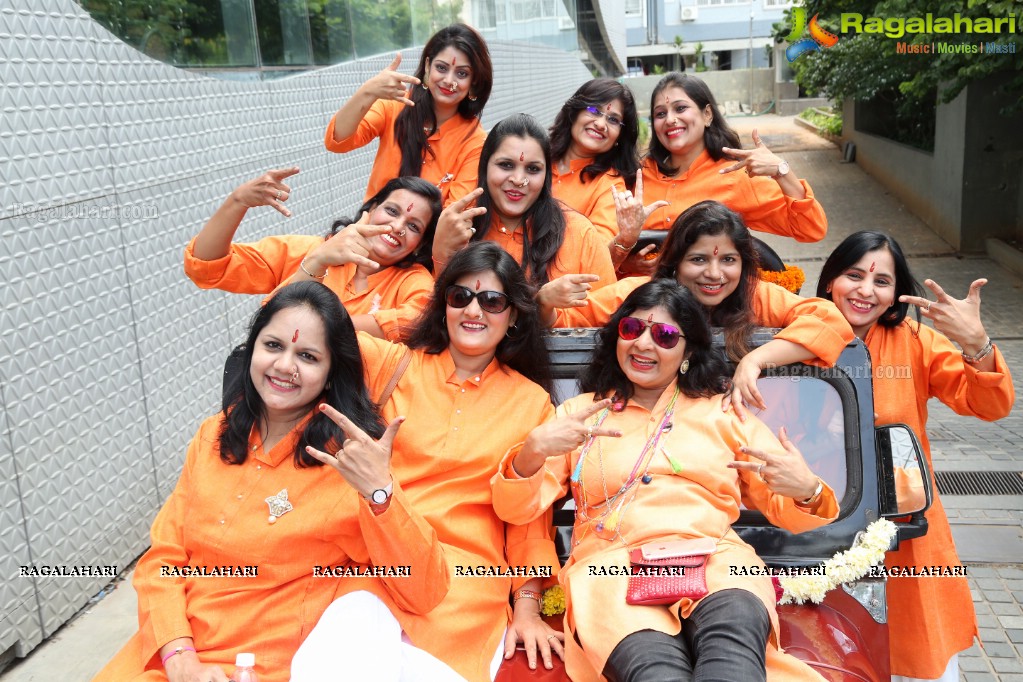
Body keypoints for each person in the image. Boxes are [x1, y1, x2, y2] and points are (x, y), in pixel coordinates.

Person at [95, 281, 450, 682]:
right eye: (273, 346)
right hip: (174, 649)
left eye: (308, 356)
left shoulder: (349, 463)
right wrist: (179, 655)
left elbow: (425, 590)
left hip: (261, 664)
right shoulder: (213, 434)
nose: (284, 366)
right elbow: (164, 559)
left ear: (333, 374)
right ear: (252, 351)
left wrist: (379, 492)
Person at [492, 280, 838, 682]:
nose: (643, 344)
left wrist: (807, 490)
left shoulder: (725, 413)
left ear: (688, 350)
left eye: (665, 335)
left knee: (733, 662)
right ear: (616, 336)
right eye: (632, 329)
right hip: (611, 569)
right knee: (656, 673)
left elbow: (790, 511)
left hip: (716, 562)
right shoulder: (579, 414)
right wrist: (532, 452)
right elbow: (516, 510)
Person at [292, 242, 565, 681]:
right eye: (461, 297)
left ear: (513, 315)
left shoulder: (532, 404)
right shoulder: (390, 365)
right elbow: (289, 325)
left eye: (492, 301)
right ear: (443, 306)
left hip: (464, 583)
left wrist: (529, 608)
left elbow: (527, 521)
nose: (474, 310)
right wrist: (318, 260)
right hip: (378, 563)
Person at [816, 231, 1015, 682]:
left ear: (895, 295)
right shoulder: (801, 335)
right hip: (817, 521)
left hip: (906, 527)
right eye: (853, 275)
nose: (866, 290)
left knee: (920, 652)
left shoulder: (915, 341)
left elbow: (990, 406)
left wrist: (976, 343)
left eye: (881, 281)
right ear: (829, 280)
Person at [542, 200, 853, 416]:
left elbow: (831, 320)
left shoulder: (755, 297)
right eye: (699, 259)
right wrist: (544, 300)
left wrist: (756, 360)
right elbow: (561, 326)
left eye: (728, 260)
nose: (715, 274)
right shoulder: (638, 296)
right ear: (675, 263)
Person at [184, 169, 442, 340]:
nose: (397, 227)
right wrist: (237, 201)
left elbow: (413, 322)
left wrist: (312, 330)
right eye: (393, 212)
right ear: (371, 209)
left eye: (413, 226)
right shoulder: (307, 250)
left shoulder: (414, 282)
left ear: (420, 244)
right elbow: (207, 266)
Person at [617, 72, 827, 276]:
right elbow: (604, 245)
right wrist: (626, 263)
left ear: (707, 114)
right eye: (660, 113)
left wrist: (782, 171)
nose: (670, 119)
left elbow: (811, 228)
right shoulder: (635, 177)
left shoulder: (736, 176)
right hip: (641, 301)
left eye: (680, 108)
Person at [432, 113, 617, 307]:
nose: (519, 179)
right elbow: (438, 312)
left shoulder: (579, 234)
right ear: (484, 167)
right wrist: (441, 254)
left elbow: (607, 311)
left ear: (546, 176)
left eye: (533, 169)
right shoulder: (459, 230)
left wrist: (546, 311)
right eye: (506, 165)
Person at [324, 24, 492, 205]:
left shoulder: (475, 141)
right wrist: (368, 91)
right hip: (370, 228)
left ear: (474, 82)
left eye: (462, 73)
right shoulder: (396, 104)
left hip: (430, 233)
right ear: (428, 66)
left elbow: (456, 214)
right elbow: (338, 141)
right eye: (441, 68)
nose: (449, 81)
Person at [547, 79, 650, 271]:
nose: (601, 124)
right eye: (594, 110)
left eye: (613, 119)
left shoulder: (610, 185)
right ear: (574, 113)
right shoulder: (538, 158)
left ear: (620, 135)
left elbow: (597, 253)